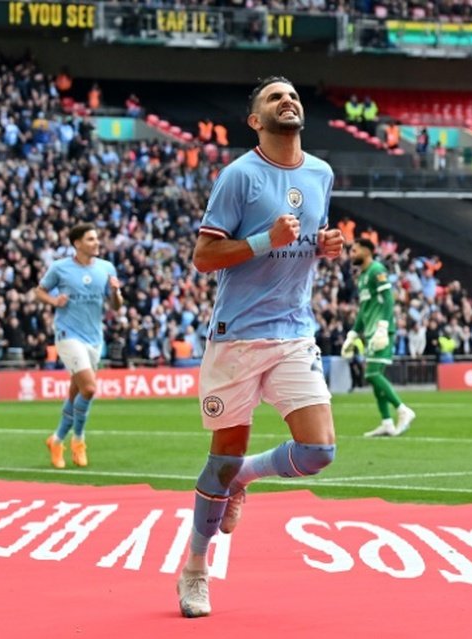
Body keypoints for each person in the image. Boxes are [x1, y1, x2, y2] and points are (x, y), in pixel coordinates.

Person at [177, 76, 344, 619]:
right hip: (238, 336)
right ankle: (195, 570)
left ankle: (247, 476)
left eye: (293, 95)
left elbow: (305, 242)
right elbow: (204, 256)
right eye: (274, 98)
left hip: (294, 331)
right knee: (219, 463)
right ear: (255, 120)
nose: (288, 101)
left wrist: (325, 246)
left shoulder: (321, 173)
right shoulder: (239, 176)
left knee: (319, 452)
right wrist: (260, 241)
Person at [35, 222, 123, 470]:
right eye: (91, 239)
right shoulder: (60, 268)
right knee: (90, 388)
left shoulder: (106, 268)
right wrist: (54, 300)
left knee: (76, 393)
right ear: (77, 243)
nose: (96, 243)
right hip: (68, 334)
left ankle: (56, 440)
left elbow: (116, 306)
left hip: (94, 338)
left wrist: (116, 293)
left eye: (97, 239)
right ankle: (79, 441)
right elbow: (38, 291)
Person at [342, 238, 416, 437]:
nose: (351, 254)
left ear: (367, 251)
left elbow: (389, 299)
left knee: (372, 374)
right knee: (375, 378)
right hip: (370, 333)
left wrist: (383, 326)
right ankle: (387, 422)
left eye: (354, 250)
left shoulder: (377, 270)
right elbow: (363, 310)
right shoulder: (363, 276)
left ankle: (403, 410)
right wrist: (353, 333)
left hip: (381, 331)